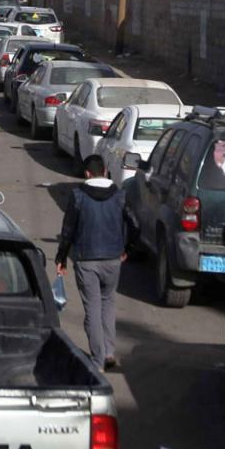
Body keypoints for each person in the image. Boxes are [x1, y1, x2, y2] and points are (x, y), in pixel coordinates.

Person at [56, 153, 128, 370]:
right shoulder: (120, 195)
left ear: (87, 173)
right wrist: (127, 249)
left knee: (93, 308)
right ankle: (108, 352)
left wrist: (62, 257)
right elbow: (133, 224)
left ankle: (97, 360)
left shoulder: (78, 195)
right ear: (105, 171)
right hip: (113, 260)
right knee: (108, 303)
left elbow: (68, 229)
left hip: (87, 261)